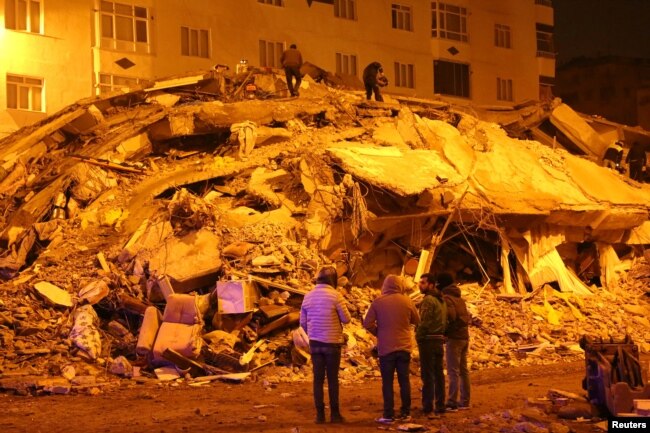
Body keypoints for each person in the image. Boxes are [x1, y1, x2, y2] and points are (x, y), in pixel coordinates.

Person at [363, 275, 420, 424]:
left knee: (387, 383)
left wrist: (379, 332)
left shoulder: (378, 302)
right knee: (404, 381)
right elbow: (417, 320)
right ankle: (405, 413)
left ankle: (388, 415)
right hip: (404, 347)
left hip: (386, 349)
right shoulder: (407, 300)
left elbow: (367, 323)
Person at [299, 266, 351, 424]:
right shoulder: (336, 296)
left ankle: (319, 415)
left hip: (315, 344)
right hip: (332, 343)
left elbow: (302, 323)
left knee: (318, 379)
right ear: (332, 280)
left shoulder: (307, 296)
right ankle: (335, 415)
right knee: (333, 379)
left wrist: (313, 333)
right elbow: (346, 319)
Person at [416, 272, 447, 416]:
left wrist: (419, 336)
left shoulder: (428, 300)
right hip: (439, 339)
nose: (420, 285)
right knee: (438, 374)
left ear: (431, 285)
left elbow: (425, 322)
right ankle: (440, 404)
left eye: (423, 282)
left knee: (427, 374)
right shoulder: (441, 300)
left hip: (428, 340)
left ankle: (427, 405)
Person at [439, 273, 471, 411]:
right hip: (464, 337)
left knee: (453, 371)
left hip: (454, 338)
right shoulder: (460, 299)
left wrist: (445, 330)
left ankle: (452, 402)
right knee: (463, 371)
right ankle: (465, 401)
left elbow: (451, 316)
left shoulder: (447, 298)